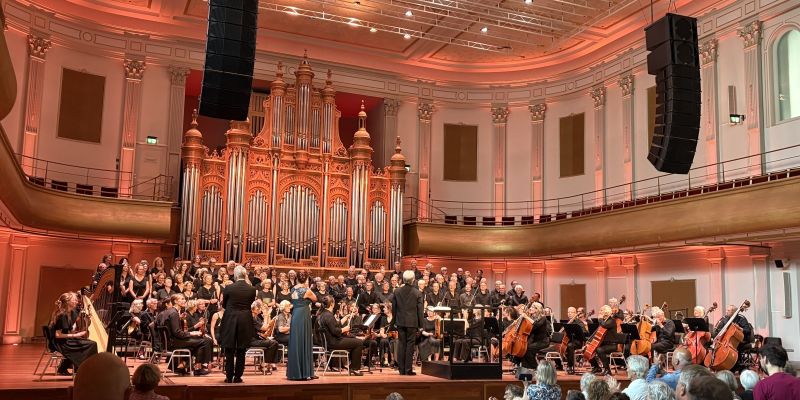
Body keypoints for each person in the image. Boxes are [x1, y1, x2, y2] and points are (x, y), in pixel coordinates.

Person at [219, 265, 256, 383]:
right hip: (245, 319)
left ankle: (229, 376)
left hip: (230, 318)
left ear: (235, 275)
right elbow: (250, 303)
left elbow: (224, 305)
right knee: (241, 349)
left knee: (229, 348)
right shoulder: (252, 289)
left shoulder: (228, 288)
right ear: (245, 275)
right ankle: (238, 376)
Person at [161, 293, 212, 375]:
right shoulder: (174, 313)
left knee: (199, 341)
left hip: (170, 340)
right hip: (173, 342)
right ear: (175, 301)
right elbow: (177, 333)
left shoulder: (170, 311)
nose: (184, 300)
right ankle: (198, 368)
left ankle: (182, 365)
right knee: (204, 341)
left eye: (184, 299)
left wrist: (190, 333)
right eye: (182, 299)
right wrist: (191, 333)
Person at [50, 292, 98, 374]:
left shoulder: (67, 313)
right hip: (60, 344)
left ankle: (67, 368)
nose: (77, 302)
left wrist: (73, 332)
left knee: (89, 343)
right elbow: (57, 335)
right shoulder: (63, 315)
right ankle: (83, 368)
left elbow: (64, 330)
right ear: (69, 302)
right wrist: (75, 335)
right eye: (74, 300)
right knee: (91, 344)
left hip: (63, 341)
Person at [318, 295, 364, 375]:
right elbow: (335, 331)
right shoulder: (329, 316)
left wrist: (345, 317)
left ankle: (351, 366)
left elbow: (334, 325)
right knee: (359, 343)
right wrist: (344, 329)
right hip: (334, 342)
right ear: (332, 304)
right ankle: (354, 368)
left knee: (354, 342)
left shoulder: (323, 314)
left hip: (330, 342)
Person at [392, 270, 424, 375]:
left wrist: (394, 322)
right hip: (412, 322)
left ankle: (401, 370)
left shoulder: (397, 291)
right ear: (413, 280)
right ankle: (408, 369)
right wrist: (421, 325)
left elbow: (394, 309)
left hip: (400, 322)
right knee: (410, 345)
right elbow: (420, 310)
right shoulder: (417, 293)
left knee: (402, 344)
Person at [287, 272, 318, 380]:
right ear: (306, 280)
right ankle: (305, 372)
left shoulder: (292, 289)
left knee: (296, 342)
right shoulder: (307, 290)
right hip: (304, 315)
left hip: (295, 314)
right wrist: (308, 287)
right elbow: (315, 299)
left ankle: (296, 372)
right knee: (304, 341)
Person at [517, 302, 549, 370]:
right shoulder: (531, 317)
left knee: (528, 349)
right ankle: (525, 368)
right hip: (534, 341)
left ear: (537, 309)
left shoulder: (543, 318)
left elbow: (536, 325)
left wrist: (526, 317)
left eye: (532, 307)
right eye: (531, 307)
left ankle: (536, 367)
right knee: (523, 348)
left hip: (542, 342)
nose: (530, 308)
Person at [588, 305, 618, 376]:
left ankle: (607, 369)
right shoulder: (604, 321)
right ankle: (596, 367)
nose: (599, 312)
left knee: (599, 350)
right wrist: (589, 342)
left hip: (612, 345)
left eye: (601, 310)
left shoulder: (611, 321)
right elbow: (597, 333)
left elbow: (604, 325)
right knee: (588, 349)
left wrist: (600, 319)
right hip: (603, 344)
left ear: (606, 312)